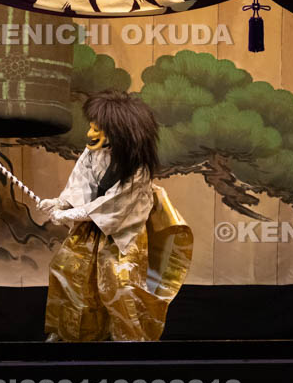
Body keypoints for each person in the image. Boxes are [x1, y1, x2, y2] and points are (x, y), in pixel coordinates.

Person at [38, 90, 193, 342]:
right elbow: (81, 185)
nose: (90, 133)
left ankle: (131, 339)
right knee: (69, 270)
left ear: (119, 132)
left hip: (122, 234)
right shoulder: (92, 153)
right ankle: (71, 335)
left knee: (120, 284)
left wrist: (71, 213)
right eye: (92, 126)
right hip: (90, 229)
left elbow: (114, 206)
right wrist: (59, 202)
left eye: (97, 129)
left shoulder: (137, 169)